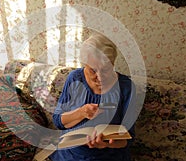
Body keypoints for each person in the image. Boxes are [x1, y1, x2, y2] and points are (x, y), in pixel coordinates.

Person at [50, 32, 136, 161]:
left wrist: (106, 144)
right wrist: (81, 113)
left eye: (106, 69)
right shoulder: (74, 78)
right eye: (93, 70)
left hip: (109, 156)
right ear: (84, 64)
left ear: (113, 63)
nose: (100, 77)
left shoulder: (126, 87)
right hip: (70, 155)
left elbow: (129, 138)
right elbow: (58, 121)